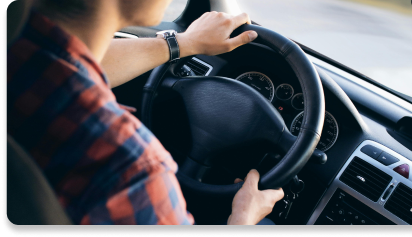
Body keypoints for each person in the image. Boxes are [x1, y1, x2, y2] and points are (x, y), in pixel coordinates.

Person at [5, 0, 284, 225]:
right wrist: (243, 218)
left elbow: (77, 64)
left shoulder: (18, 49)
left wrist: (184, 43)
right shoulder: (131, 169)